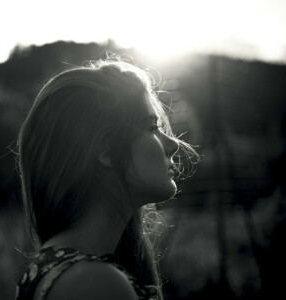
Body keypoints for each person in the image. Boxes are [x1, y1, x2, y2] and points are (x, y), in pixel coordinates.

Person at [15, 57, 199, 300]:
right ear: (104, 149)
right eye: (152, 128)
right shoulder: (94, 285)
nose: (173, 145)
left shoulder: (54, 268)